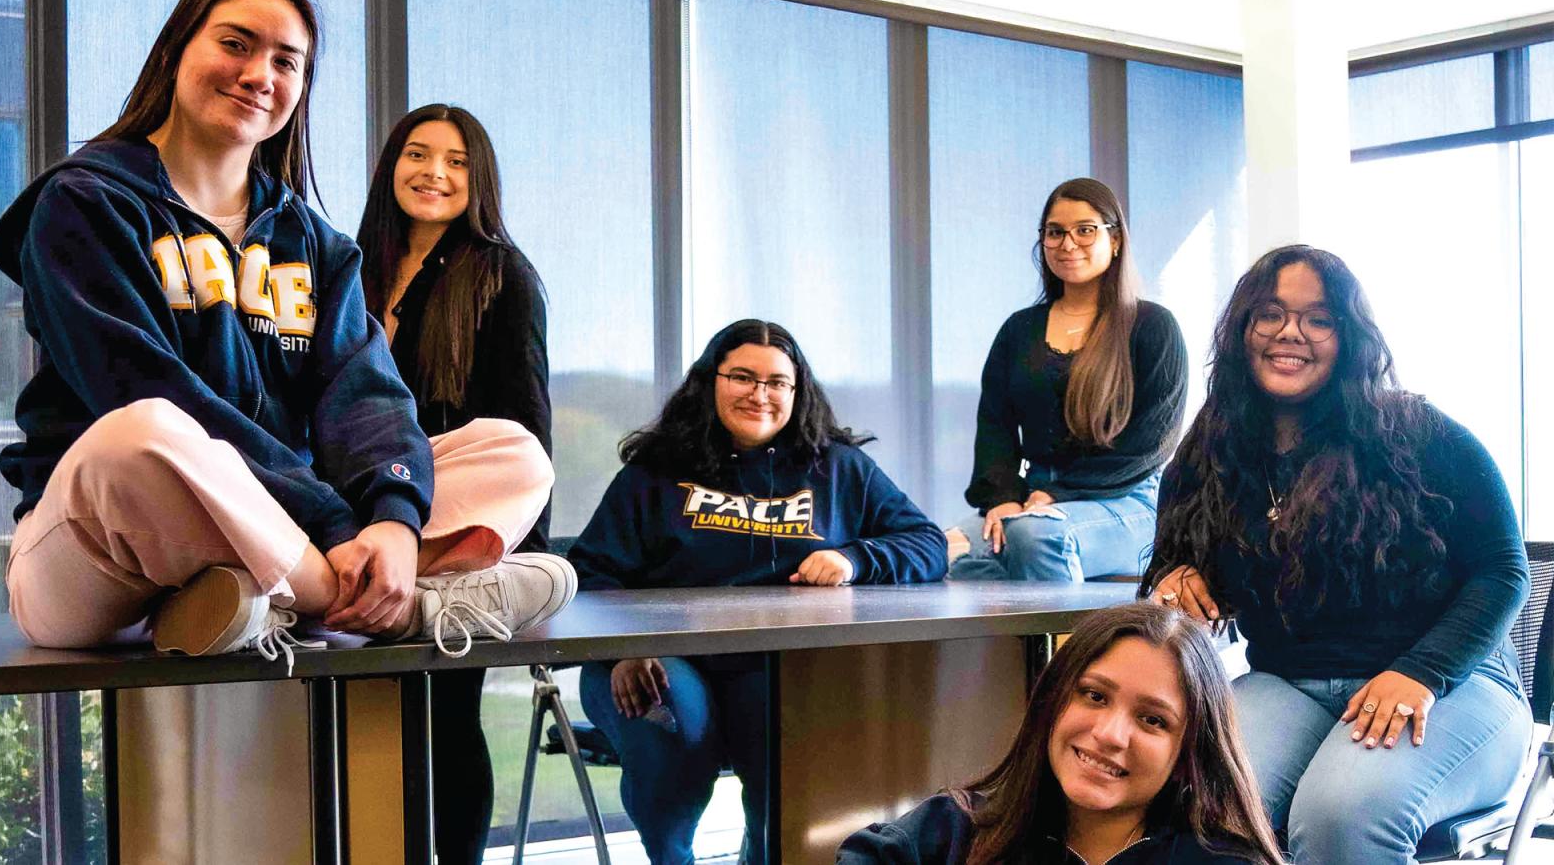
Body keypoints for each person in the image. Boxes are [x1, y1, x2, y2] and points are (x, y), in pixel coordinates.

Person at [0, 0, 573, 671]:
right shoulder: (85, 204)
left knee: (511, 455)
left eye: (285, 61)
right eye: (236, 44)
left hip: (274, 535)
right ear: (174, 52)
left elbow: (366, 399)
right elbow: (143, 388)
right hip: (98, 553)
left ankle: (276, 590)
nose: (259, 74)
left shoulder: (317, 247)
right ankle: (404, 608)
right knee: (143, 433)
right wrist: (337, 524)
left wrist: (391, 516)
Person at [1144, 245, 1532, 864]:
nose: (1289, 333)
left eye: (1317, 319)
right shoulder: (1211, 451)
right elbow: (1168, 564)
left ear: (1347, 337)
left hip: (1450, 683)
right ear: (1243, 329)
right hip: (1289, 682)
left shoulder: (1419, 435)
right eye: (1269, 314)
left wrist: (1422, 672)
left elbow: (1504, 570)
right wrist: (1176, 578)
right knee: (1198, 802)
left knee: (1341, 816)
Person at [571, 318, 948, 865]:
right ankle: (669, 858)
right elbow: (589, 572)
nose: (760, 395)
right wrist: (625, 648)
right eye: (742, 377)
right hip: (658, 660)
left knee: (790, 743)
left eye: (777, 382)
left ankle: (764, 851)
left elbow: (926, 543)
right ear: (711, 381)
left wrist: (854, 558)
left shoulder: (839, 469)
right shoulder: (656, 471)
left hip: (777, 666)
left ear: (798, 392)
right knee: (670, 715)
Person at [356, 103, 551, 865]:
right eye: (418, 153)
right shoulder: (348, 264)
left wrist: (517, 553)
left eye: (457, 160)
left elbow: (525, 429)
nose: (434, 172)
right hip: (357, 502)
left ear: (480, 179)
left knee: (446, 709)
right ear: (391, 165)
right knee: (373, 711)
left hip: (456, 504)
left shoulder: (502, 275)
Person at [837, 602, 1283, 865]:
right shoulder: (956, 828)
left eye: (1152, 720)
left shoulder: (1222, 860)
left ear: (1189, 750)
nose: (1110, 734)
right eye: (1093, 695)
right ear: (1051, 700)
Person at [947, 178, 1187, 583]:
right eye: (1055, 232)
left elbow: (1153, 443)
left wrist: (1059, 495)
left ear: (1115, 240)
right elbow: (996, 428)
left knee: (1037, 536)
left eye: (1085, 230)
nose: (1068, 243)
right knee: (942, 552)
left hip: (1130, 500)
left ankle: (1074, 646)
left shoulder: (1152, 327)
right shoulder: (1019, 330)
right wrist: (1003, 500)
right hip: (1034, 499)